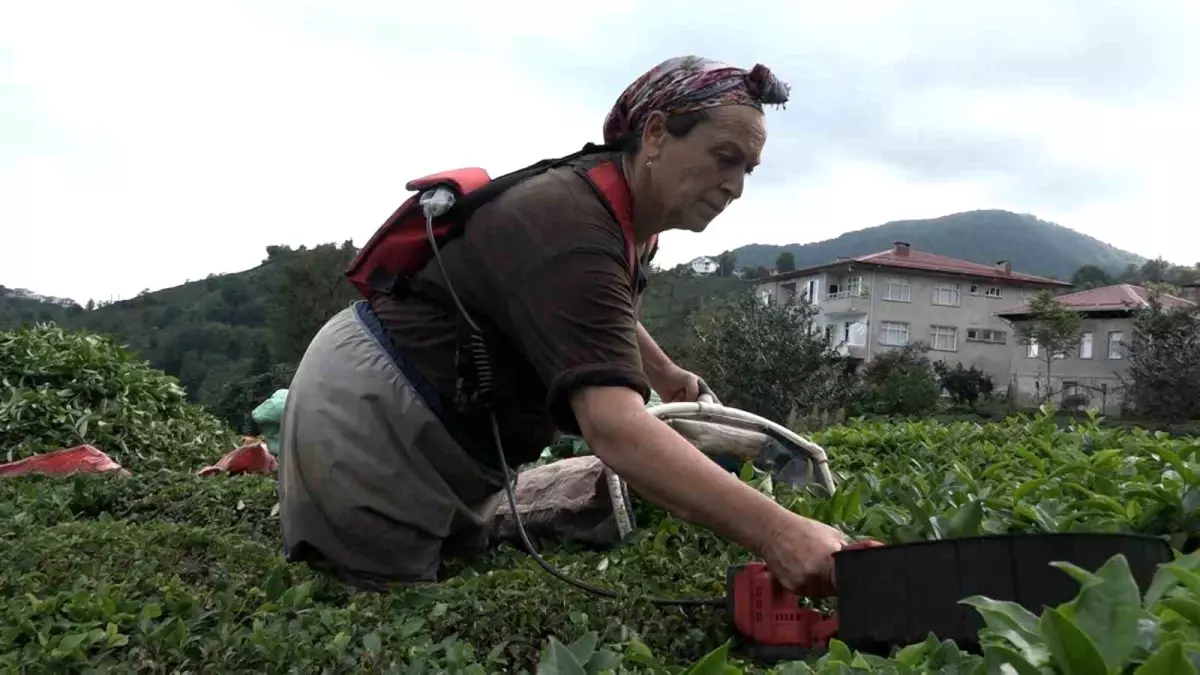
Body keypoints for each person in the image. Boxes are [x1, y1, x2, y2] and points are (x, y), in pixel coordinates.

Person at [277, 55, 849, 595]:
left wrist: (665, 372)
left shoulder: (630, 219)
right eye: (723, 157)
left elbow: (600, 306)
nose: (736, 186)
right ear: (655, 134)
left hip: (449, 432)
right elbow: (614, 428)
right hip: (373, 417)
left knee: (457, 569)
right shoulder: (571, 222)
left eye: (747, 169)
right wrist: (780, 533)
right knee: (388, 610)